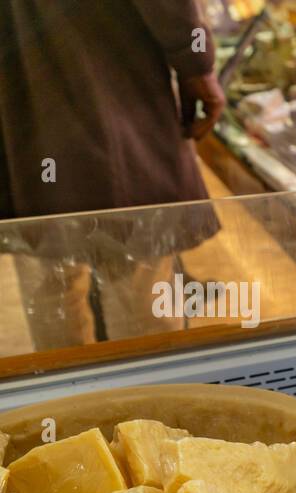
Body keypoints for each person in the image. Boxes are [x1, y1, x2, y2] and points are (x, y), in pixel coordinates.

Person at [0, 0, 225, 351]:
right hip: (108, 77)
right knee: (137, 275)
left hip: (17, 101)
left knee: (50, 279)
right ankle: (153, 402)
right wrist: (196, 64)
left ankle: (73, 401)